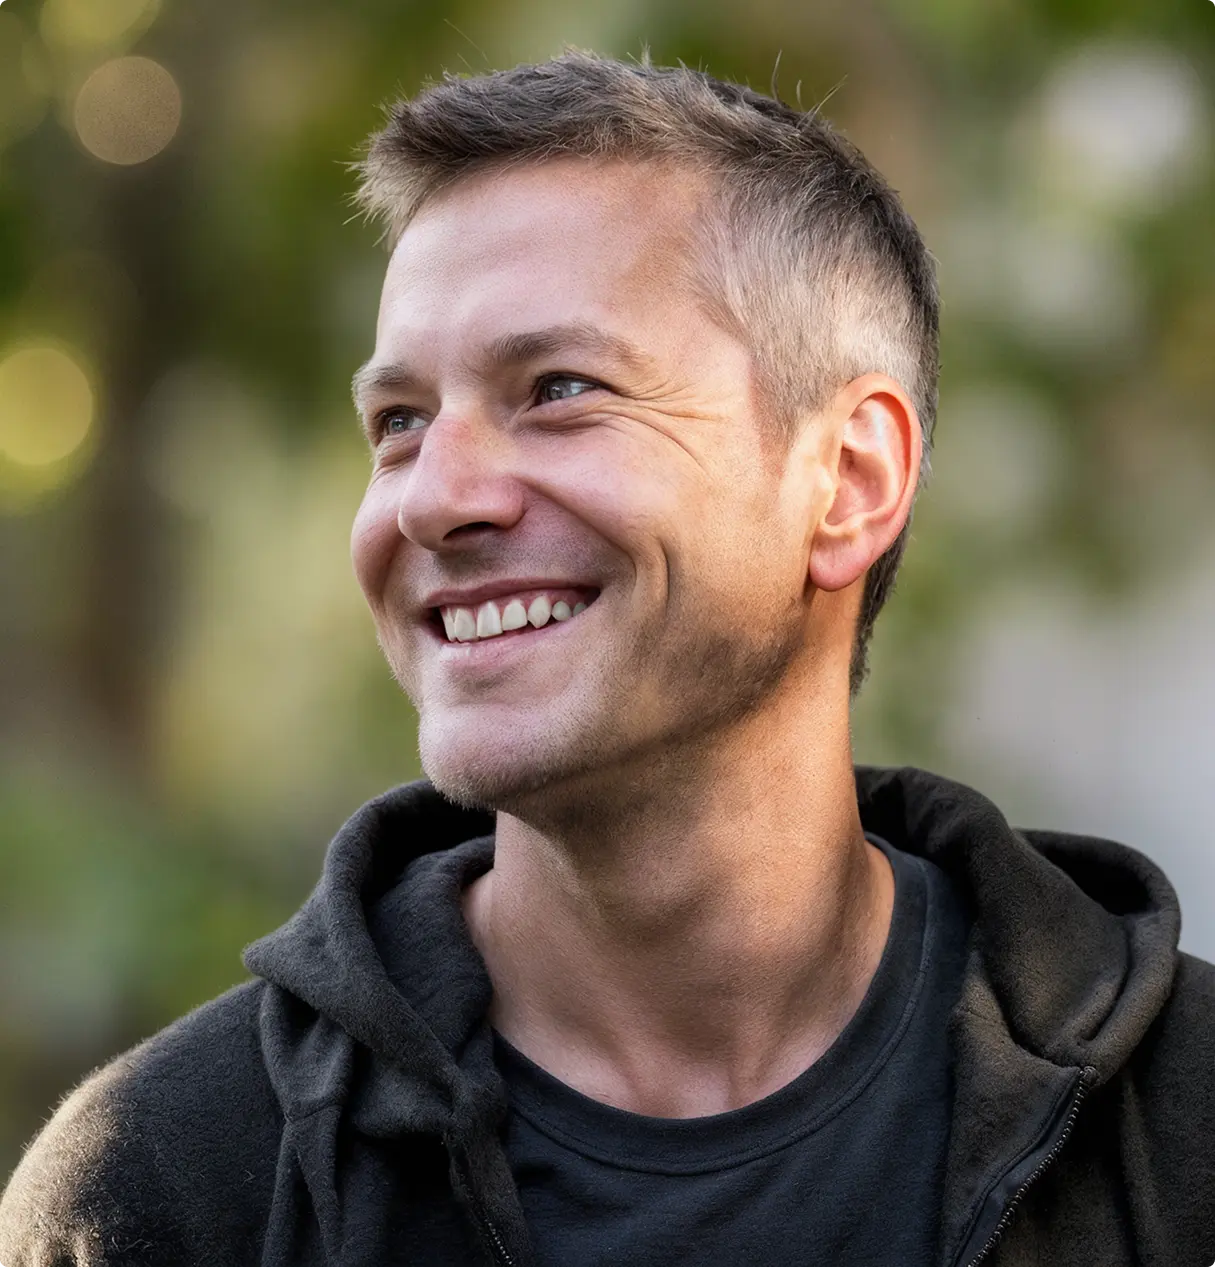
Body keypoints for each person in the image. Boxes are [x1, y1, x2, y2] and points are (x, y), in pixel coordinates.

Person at [2, 50, 1212, 1267]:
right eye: (401, 422)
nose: (435, 501)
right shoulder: (167, 1184)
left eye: (560, 389)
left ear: (847, 482)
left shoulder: (1185, 1127)